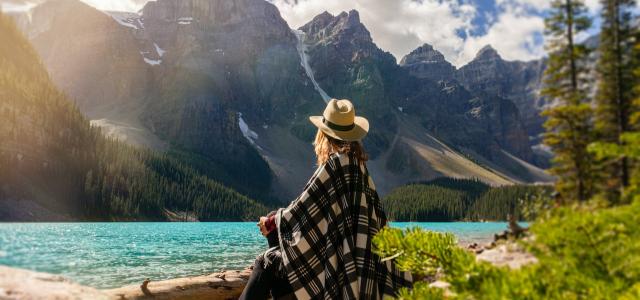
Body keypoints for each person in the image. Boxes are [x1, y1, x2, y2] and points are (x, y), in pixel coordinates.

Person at [239, 99, 412, 300]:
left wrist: (270, 222)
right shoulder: (359, 167)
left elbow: (301, 211)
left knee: (265, 261)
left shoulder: (333, 165)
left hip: (333, 269)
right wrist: (275, 219)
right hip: (357, 264)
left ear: (324, 135)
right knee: (276, 225)